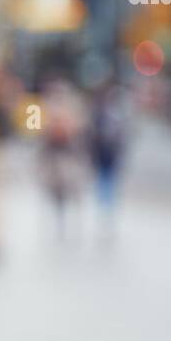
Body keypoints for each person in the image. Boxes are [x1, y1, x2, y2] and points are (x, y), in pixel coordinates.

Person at [38, 78, 87, 239]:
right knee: (57, 192)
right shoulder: (46, 108)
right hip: (54, 156)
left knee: (72, 189)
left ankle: (73, 222)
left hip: (68, 155)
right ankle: (61, 222)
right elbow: (39, 129)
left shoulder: (73, 108)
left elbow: (80, 130)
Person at [87, 80, 129, 237]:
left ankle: (107, 210)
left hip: (109, 156)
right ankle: (105, 210)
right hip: (103, 156)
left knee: (107, 184)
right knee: (104, 184)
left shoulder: (113, 117)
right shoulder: (99, 116)